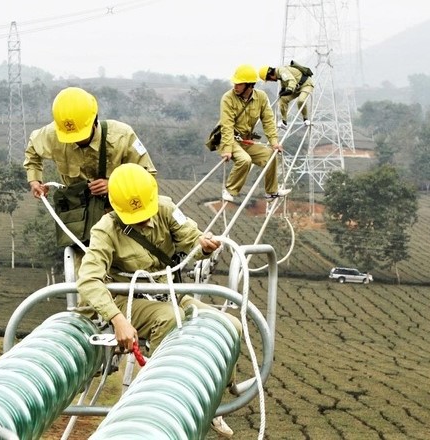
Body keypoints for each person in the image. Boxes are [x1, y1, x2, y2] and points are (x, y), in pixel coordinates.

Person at [76, 163, 241, 438]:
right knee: (169, 318)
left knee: (230, 325)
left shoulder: (166, 209)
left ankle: (216, 397)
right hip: (128, 301)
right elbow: (89, 280)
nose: (144, 220)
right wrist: (117, 321)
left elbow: (191, 240)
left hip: (168, 294)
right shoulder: (105, 230)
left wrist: (204, 245)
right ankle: (147, 404)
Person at [24, 86, 157, 205]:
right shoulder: (53, 134)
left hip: (119, 210)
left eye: (80, 135)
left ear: (94, 122)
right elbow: (33, 150)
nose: (76, 140)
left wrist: (115, 186)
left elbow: (148, 176)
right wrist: (35, 181)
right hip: (77, 213)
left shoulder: (123, 136)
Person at [216, 64, 291, 203]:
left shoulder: (261, 97)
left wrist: (274, 142)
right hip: (228, 139)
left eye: (239, 83)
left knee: (270, 156)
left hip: (244, 140)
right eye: (235, 83)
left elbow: (268, 121)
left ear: (249, 85)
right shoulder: (228, 98)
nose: (235, 86)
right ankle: (230, 190)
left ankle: (271, 192)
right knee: (245, 160)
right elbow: (226, 126)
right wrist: (227, 149)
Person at [258, 64, 314, 129]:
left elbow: (291, 80)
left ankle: (305, 119)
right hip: (296, 87)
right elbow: (285, 82)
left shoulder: (282, 71)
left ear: (270, 75)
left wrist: (289, 90)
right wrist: (283, 90)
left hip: (306, 85)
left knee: (301, 101)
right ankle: (284, 122)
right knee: (283, 99)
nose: (271, 81)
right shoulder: (279, 75)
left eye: (269, 79)